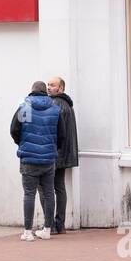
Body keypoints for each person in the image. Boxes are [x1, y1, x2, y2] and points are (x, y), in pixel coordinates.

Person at [10, 81, 62, 241]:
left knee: (29, 194)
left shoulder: (25, 107)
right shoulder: (55, 109)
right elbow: (62, 135)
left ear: (32, 91)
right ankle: (47, 229)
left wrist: (23, 144)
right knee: (49, 193)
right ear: (45, 92)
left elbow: (14, 130)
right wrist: (52, 148)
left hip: (29, 159)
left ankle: (27, 232)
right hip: (48, 159)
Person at [46, 77, 79, 234]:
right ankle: (60, 224)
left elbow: (54, 131)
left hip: (56, 152)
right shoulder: (67, 104)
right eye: (48, 85)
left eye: (52, 85)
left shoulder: (55, 104)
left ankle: (50, 225)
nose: (48, 87)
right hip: (65, 152)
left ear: (61, 88)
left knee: (48, 188)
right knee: (60, 187)